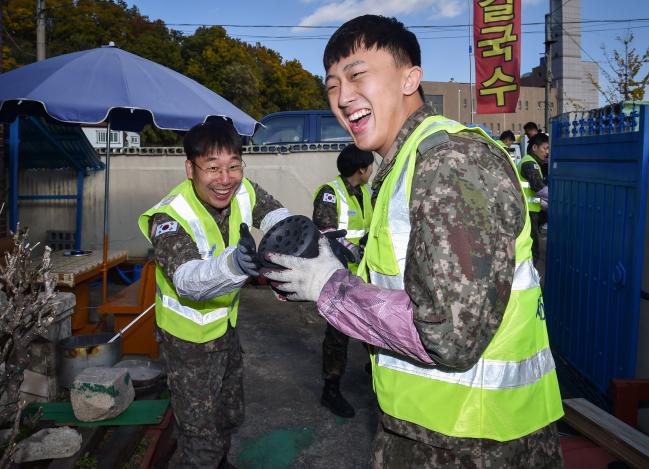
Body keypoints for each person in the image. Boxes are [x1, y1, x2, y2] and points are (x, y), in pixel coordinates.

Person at [263, 15, 564, 468]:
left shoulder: (449, 162)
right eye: (331, 85)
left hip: (479, 444)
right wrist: (341, 264)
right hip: (430, 431)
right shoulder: (404, 164)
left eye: (358, 75)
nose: (343, 98)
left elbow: (449, 334)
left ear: (410, 78)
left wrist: (331, 289)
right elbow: (413, 274)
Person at [138, 119, 290, 468]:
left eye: (234, 166)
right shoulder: (169, 216)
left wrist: (308, 240)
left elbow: (275, 214)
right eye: (213, 168)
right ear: (190, 168)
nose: (226, 179)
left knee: (228, 413)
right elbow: (188, 280)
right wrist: (235, 264)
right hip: (187, 345)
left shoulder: (243, 190)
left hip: (225, 329)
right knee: (199, 434)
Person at [312, 143, 374, 418]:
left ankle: (374, 369)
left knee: (372, 323)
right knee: (338, 334)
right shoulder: (330, 193)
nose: (372, 170)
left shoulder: (365, 192)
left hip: (363, 273)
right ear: (361, 170)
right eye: (370, 165)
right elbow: (326, 232)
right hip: (337, 276)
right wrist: (355, 249)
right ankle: (331, 389)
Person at [518, 133, 550, 266]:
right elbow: (539, 188)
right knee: (533, 249)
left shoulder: (531, 162)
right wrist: (560, 198)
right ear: (535, 147)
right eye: (545, 148)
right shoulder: (530, 163)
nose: (547, 152)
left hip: (531, 210)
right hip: (528, 213)